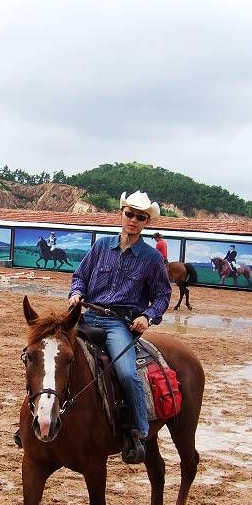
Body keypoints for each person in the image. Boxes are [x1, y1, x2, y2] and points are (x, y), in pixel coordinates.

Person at [68, 190, 171, 464]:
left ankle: (140, 431)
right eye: (130, 214)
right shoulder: (101, 246)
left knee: (126, 373)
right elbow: (80, 276)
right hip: (87, 315)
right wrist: (76, 293)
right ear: (121, 214)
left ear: (146, 222)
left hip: (117, 323)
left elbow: (162, 295)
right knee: (46, 353)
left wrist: (148, 316)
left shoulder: (151, 259)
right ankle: (33, 419)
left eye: (140, 217)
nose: (133, 220)